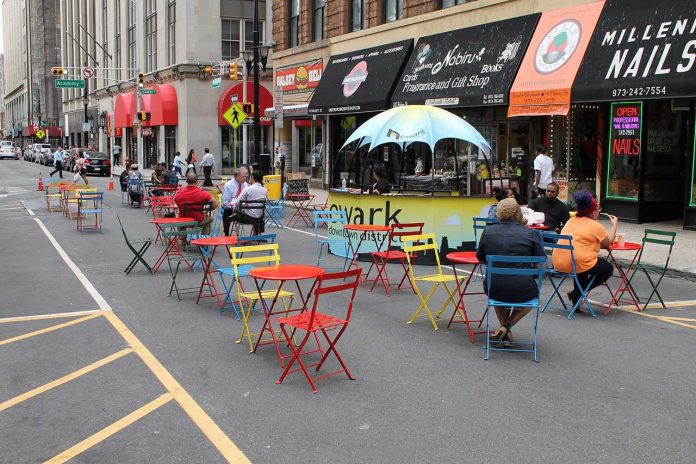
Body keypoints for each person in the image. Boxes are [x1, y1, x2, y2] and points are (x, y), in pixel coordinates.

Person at [476, 198, 545, 345]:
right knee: (534, 298)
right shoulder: (530, 234)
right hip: (523, 286)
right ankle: (506, 327)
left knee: (497, 292)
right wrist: (530, 274)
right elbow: (540, 264)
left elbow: (481, 258)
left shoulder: (488, 231)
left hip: (493, 286)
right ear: (517, 213)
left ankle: (505, 331)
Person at [552, 190, 618, 308]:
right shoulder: (595, 225)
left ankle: (576, 302)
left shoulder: (571, 220)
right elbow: (607, 243)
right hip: (576, 262)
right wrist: (614, 225)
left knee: (582, 266)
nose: (598, 212)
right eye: (598, 210)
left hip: (558, 262)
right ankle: (576, 293)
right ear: (593, 213)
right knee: (607, 269)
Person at [230, 171, 268, 235]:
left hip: (248, 218)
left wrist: (235, 210)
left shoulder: (248, 188)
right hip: (259, 218)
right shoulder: (265, 190)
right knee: (255, 209)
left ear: (252, 178)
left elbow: (238, 202)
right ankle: (257, 234)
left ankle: (227, 235)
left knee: (228, 218)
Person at [221, 167, 249, 236]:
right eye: (243, 176)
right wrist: (234, 204)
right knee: (226, 210)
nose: (245, 178)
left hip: (243, 206)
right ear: (237, 177)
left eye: (246, 176)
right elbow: (226, 202)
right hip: (231, 206)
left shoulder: (245, 184)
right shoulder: (229, 185)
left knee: (257, 209)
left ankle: (257, 234)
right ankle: (226, 233)